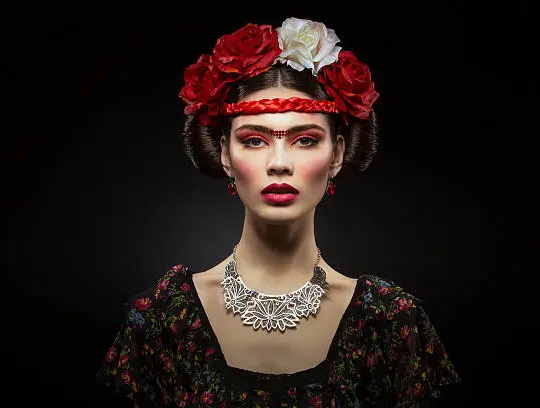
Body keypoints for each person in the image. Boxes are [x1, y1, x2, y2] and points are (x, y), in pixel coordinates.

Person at [95, 17, 462, 407]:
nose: (279, 163)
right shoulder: (161, 320)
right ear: (224, 154)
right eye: (254, 140)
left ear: (336, 154)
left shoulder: (390, 323)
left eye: (305, 140)